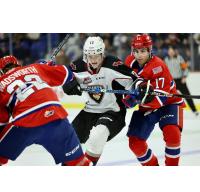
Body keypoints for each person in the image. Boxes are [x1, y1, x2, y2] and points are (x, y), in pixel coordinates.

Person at [63, 36, 150, 165]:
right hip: (89, 111)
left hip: (113, 112)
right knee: (68, 141)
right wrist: (68, 84)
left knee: (98, 135)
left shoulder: (112, 64)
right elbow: (63, 76)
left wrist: (141, 88)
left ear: (102, 54)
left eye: (96, 56)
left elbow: (135, 80)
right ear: (85, 55)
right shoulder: (77, 66)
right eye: (89, 56)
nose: (93, 60)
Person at [0, 55, 91, 166]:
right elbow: (67, 74)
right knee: (78, 163)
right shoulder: (35, 67)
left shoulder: (1, 82)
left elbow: (2, 121)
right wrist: (47, 68)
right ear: (18, 65)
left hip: (25, 120)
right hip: (56, 115)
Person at [124, 34, 185, 166]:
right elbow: (124, 86)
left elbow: (160, 99)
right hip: (147, 107)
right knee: (135, 143)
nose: (139, 55)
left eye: (143, 51)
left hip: (169, 103)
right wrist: (128, 99)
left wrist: (136, 99)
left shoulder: (158, 66)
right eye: (136, 51)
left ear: (150, 50)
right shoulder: (129, 63)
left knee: (172, 135)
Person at [164, 46, 199, 116]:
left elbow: (185, 68)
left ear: (174, 51)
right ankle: (166, 111)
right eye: (169, 51)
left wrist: (184, 77)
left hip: (180, 81)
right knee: (167, 97)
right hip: (172, 82)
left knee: (187, 96)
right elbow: (165, 71)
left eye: (172, 51)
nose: (170, 52)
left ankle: (194, 110)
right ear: (168, 52)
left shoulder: (179, 58)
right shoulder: (166, 60)